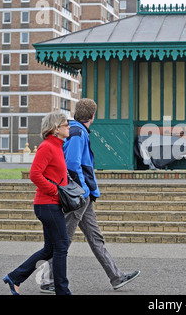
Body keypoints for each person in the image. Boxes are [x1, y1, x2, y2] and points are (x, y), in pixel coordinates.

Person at [39, 98, 140, 294]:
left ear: (77, 112)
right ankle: (47, 280)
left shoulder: (74, 129)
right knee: (63, 240)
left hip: (84, 195)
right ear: (93, 116)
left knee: (95, 238)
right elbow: (72, 163)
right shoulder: (77, 133)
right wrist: (83, 191)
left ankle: (116, 276)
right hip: (79, 196)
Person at [3, 112, 71, 295]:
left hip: (52, 204)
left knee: (50, 249)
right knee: (62, 246)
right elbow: (34, 174)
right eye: (66, 124)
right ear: (56, 128)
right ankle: (62, 291)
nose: (69, 127)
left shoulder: (58, 146)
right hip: (47, 204)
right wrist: (55, 191)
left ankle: (15, 277)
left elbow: (56, 175)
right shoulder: (47, 146)